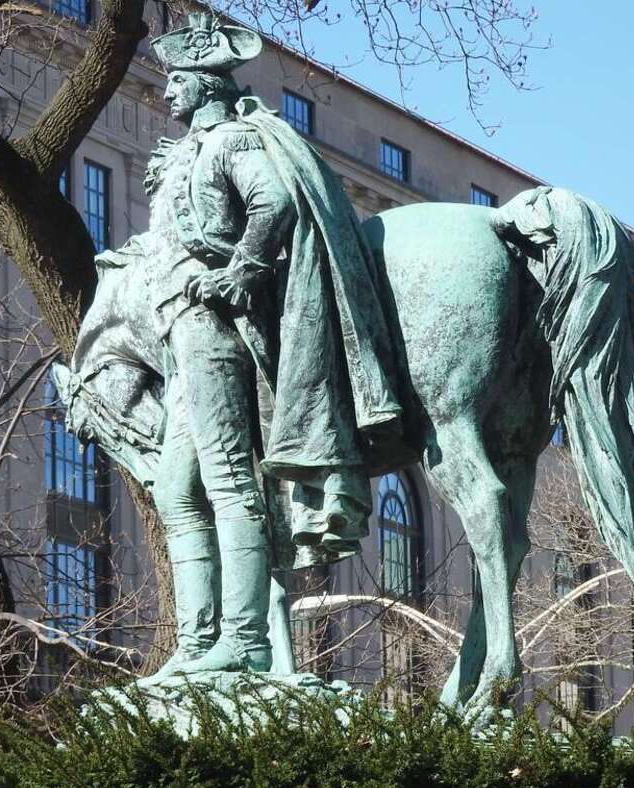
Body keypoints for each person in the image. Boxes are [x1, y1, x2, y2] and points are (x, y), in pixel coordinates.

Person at [95, 10, 410, 678]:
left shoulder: (233, 141)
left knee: (229, 480)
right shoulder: (188, 151)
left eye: (178, 78)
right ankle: (196, 643)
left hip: (213, 327)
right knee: (176, 490)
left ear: (207, 83)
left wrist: (240, 270)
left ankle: (243, 640)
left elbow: (275, 204)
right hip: (179, 333)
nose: (167, 89)